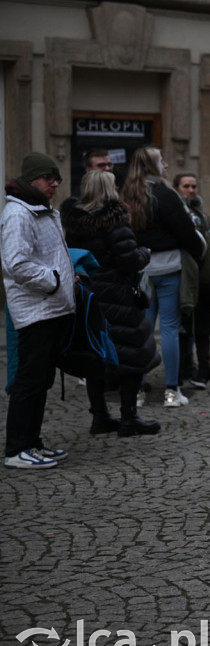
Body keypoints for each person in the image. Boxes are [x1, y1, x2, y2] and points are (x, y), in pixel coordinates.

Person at [62, 170, 162, 437]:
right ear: (110, 189)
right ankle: (129, 418)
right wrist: (144, 254)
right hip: (119, 295)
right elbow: (128, 258)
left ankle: (100, 417)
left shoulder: (73, 221)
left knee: (94, 354)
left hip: (89, 293)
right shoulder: (115, 219)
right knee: (131, 353)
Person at [1, 152, 76, 469]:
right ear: (33, 180)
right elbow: (15, 263)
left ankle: (32, 442)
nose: (56, 184)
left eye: (57, 178)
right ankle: (16, 448)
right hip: (36, 309)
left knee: (40, 378)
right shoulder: (19, 214)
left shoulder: (41, 210)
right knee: (29, 380)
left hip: (50, 307)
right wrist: (54, 281)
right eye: (50, 178)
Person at [122, 147, 206, 408]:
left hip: (140, 270)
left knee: (142, 330)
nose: (167, 165)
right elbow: (185, 232)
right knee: (170, 328)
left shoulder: (127, 194)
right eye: (161, 161)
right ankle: (171, 391)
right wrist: (201, 252)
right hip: (168, 268)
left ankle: (137, 391)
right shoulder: (164, 194)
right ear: (151, 166)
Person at [174, 172, 210, 389]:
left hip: (203, 278)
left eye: (193, 186)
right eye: (186, 186)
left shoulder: (200, 212)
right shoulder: (175, 211)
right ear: (177, 188)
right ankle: (184, 367)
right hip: (184, 276)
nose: (191, 190)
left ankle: (204, 369)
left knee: (203, 329)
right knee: (183, 328)